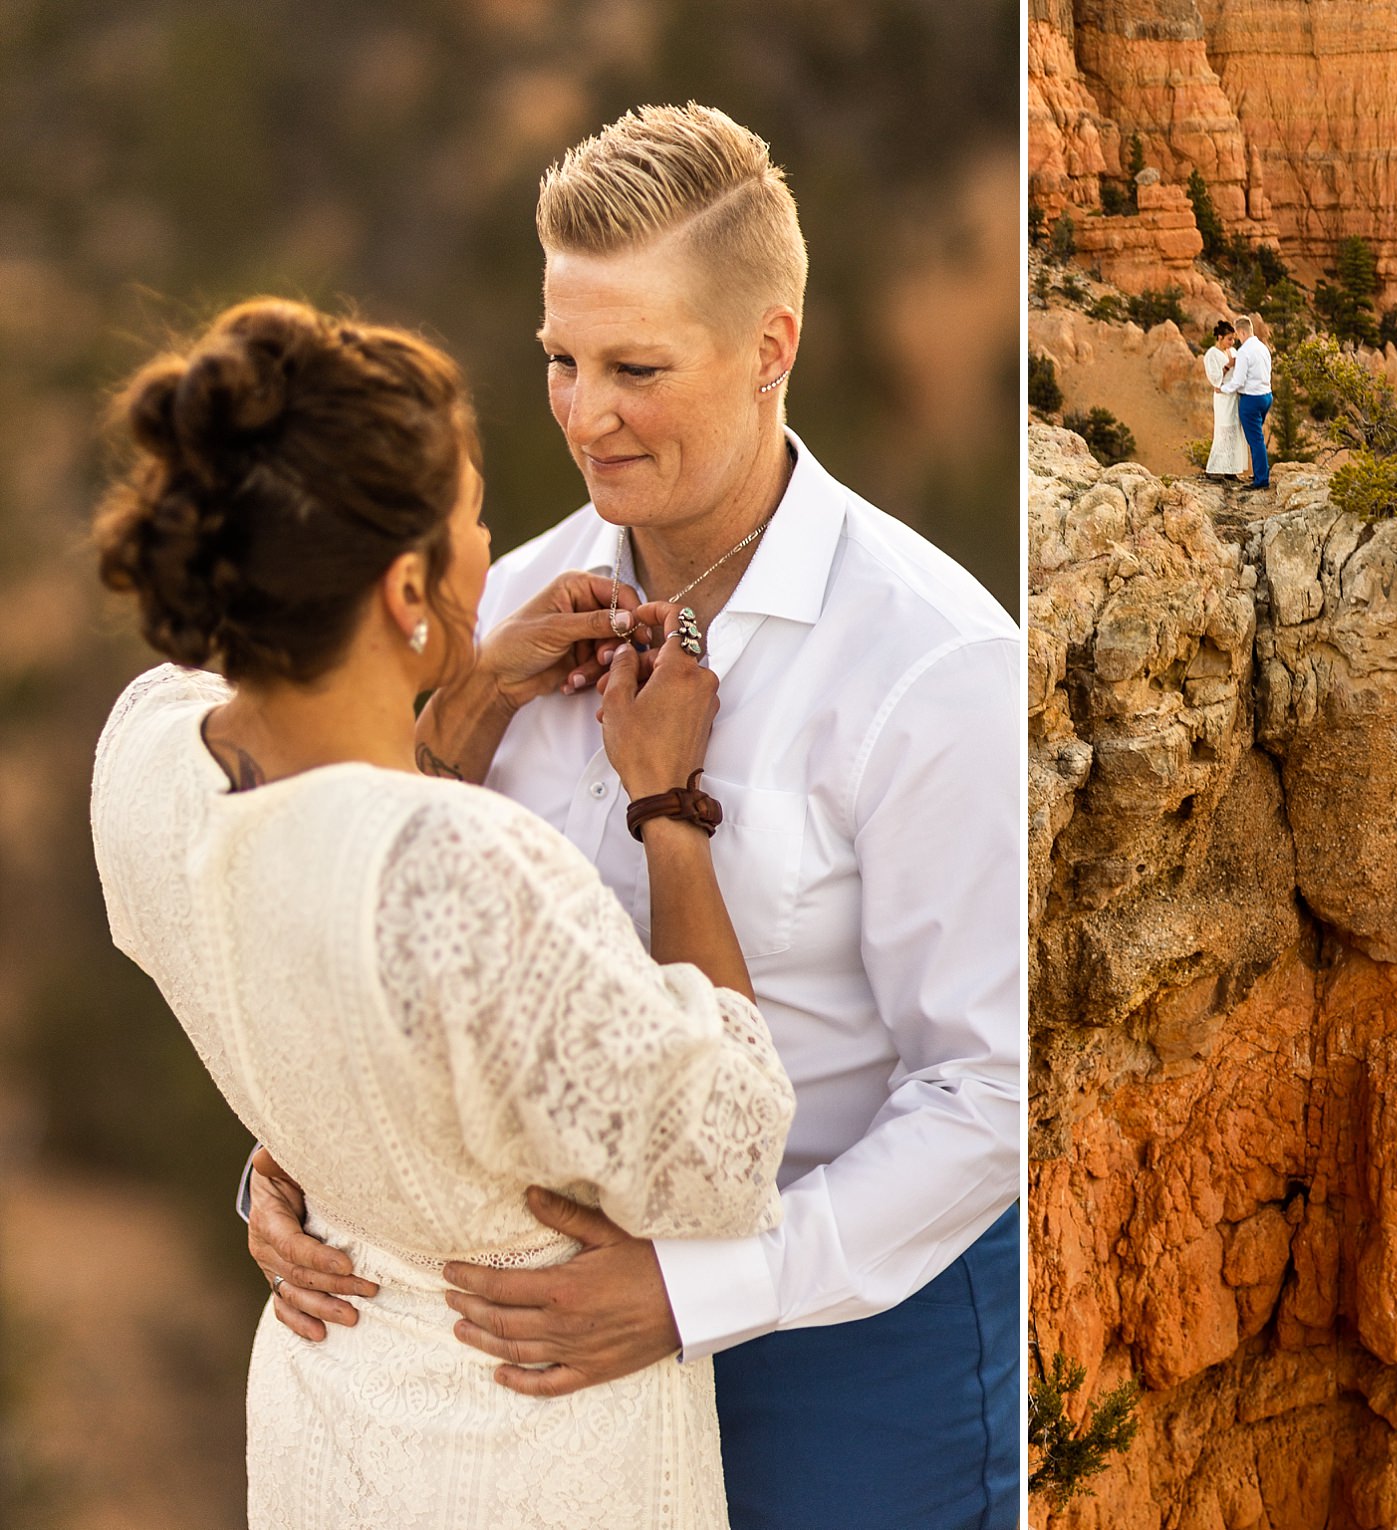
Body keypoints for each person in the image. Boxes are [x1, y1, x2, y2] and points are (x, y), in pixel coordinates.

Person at [241, 104, 1023, 1529]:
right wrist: (305, 1153)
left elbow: (987, 1093)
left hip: (850, 1340)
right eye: (560, 359)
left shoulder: (932, 666)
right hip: (563, 1354)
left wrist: (691, 1290)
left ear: (771, 346)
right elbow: (411, 942)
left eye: (636, 368)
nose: (585, 412)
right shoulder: (510, 608)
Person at [90, 298, 795, 1529]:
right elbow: (731, 1158)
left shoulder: (145, 754)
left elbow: (323, 917)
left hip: (326, 1419)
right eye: (473, 516)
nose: (493, 543)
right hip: (531, 1453)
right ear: (407, 583)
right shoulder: (476, 874)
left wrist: (464, 704)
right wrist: (668, 803)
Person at [1218, 313, 1274, 489]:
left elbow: (1238, 381)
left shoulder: (1244, 352)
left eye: (1237, 335)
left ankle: (1261, 481)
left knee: (1255, 440)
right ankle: (1260, 473)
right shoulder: (1263, 348)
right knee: (1258, 437)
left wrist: (1222, 389)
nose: (1237, 339)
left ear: (1241, 332)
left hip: (1251, 400)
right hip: (1267, 396)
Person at [1201, 319, 1248, 477]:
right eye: (1229, 339)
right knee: (1224, 430)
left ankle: (1231, 471)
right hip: (1222, 398)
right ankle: (1214, 469)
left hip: (1235, 396)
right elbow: (1215, 379)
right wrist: (1229, 365)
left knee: (1235, 430)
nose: (1232, 342)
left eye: (1233, 339)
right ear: (1220, 337)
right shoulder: (1211, 355)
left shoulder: (1233, 351)